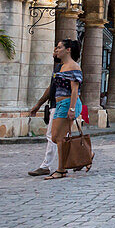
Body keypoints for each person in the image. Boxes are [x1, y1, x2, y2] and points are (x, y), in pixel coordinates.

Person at [27, 39, 82, 179]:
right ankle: (75, 160)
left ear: (68, 50)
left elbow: (75, 90)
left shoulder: (73, 66)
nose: (56, 50)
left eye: (59, 47)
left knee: (58, 137)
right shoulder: (61, 67)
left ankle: (61, 170)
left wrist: (71, 109)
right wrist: (39, 104)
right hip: (59, 104)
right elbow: (53, 87)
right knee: (57, 137)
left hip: (68, 103)